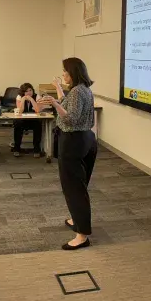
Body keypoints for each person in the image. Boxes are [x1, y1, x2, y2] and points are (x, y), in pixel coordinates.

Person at [39, 58, 97, 250]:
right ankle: (76, 219)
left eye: (64, 71)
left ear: (73, 72)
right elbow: (69, 104)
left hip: (73, 142)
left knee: (74, 189)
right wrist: (58, 90)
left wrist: (55, 104)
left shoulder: (77, 92)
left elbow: (70, 118)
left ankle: (82, 236)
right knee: (79, 184)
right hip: (87, 140)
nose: (63, 74)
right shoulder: (83, 90)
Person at [13, 82, 44, 158]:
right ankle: (17, 148)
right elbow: (20, 111)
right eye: (26, 91)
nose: (29, 93)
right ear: (23, 92)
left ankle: (36, 149)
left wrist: (31, 99)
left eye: (30, 90)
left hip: (34, 120)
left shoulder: (37, 97)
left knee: (38, 124)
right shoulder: (19, 97)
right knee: (17, 123)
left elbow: (37, 110)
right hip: (22, 120)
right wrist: (23, 100)